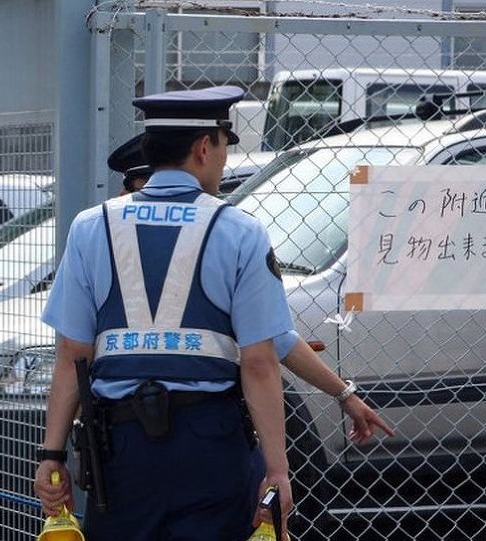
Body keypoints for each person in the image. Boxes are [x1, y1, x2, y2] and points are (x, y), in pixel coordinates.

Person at [33, 86, 294, 540]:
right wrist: (277, 470)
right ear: (202, 148)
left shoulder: (92, 226)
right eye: (223, 147)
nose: (224, 161)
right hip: (209, 441)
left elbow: (72, 354)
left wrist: (51, 454)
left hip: (119, 447)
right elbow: (258, 362)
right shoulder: (240, 231)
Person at [107, 132, 395, 446]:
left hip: (134, 432)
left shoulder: (112, 237)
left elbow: (278, 339)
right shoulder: (224, 235)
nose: (123, 193)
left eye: (130, 184)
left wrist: (344, 394)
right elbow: (273, 345)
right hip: (200, 429)